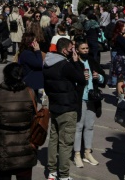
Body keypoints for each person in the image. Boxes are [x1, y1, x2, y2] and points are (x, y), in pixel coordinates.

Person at [0, 63, 38, 180]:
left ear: (5, 76)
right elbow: (33, 119)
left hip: (2, 148)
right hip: (25, 147)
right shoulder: (30, 93)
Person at [43, 37, 86, 180]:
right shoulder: (65, 65)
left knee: (54, 139)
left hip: (55, 106)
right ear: (63, 50)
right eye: (70, 49)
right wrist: (76, 62)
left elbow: (47, 87)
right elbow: (82, 79)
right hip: (67, 108)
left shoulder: (47, 63)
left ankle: (52, 171)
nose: (72, 51)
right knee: (66, 143)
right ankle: (64, 174)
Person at [72, 39, 105, 168]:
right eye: (83, 49)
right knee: (79, 126)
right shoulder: (74, 62)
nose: (86, 50)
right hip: (80, 99)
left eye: (87, 48)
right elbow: (71, 80)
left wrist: (99, 77)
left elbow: (102, 76)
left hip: (92, 98)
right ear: (78, 50)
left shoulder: (92, 61)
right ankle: (77, 154)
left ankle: (87, 152)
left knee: (90, 126)